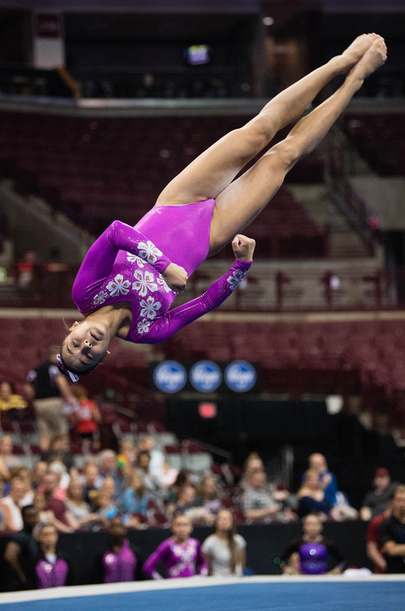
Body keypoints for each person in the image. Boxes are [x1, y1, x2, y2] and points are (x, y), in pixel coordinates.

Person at [56, 35, 387, 381]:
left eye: (73, 345)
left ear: (74, 328)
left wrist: (163, 265)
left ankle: (340, 61)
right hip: (213, 232)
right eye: (88, 357)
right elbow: (204, 304)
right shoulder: (146, 331)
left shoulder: (87, 292)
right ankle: (356, 79)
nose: (85, 347)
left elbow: (114, 234)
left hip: (178, 200)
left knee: (258, 132)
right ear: (103, 356)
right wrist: (241, 266)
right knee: (284, 156)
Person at [25, 346, 77, 451]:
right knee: (61, 430)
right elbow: (60, 382)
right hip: (52, 401)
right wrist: (70, 398)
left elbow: (27, 387)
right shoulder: (54, 367)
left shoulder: (36, 369)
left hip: (39, 403)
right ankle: (63, 455)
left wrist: (36, 395)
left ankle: (44, 456)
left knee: (45, 433)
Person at [143, 513, 207, 579]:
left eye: (185, 525)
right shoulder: (167, 545)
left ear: (191, 528)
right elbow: (148, 566)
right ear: (173, 527)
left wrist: (202, 576)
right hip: (175, 585)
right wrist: (160, 581)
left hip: (191, 583)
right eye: (178, 525)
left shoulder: (195, 543)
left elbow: (203, 562)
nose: (182, 529)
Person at [278, 513, 346, 575]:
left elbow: (343, 561)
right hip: (302, 579)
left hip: (323, 579)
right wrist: (286, 569)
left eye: (315, 524)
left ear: (321, 526)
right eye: (309, 524)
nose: (312, 527)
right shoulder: (297, 542)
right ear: (304, 526)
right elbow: (278, 560)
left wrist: (336, 570)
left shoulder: (328, 543)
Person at [2, 504, 40, 591]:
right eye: (29, 516)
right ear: (23, 517)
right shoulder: (20, 537)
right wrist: (21, 576)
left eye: (35, 516)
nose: (33, 519)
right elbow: (9, 557)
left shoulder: (35, 536)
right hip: (20, 585)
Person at [202, 509, 246, 577]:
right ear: (216, 522)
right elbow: (207, 568)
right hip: (217, 580)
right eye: (221, 519)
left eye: (228, 519)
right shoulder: (209, 543)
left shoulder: (239, 540)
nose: (224, 522)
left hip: (236, 579)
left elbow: (242, 563)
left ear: (232, 522)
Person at [101, 516, 139, 583]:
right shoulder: (102, 553)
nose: (117, 530)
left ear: (125, 530)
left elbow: (139, 575)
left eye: (119, 526)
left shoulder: (134, 551)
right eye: (114, 527)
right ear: (109, 530)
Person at [34, 522, 73, 588]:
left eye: (52, 534)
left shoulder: (65, 559)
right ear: (38, 537)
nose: (49, 538)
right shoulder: (34, 560)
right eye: (46, 534)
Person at [379, 484, 405, 573]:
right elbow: (392, 550)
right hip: (395, 573)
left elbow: (396, 549)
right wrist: (395, 549)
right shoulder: (386, 524)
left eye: (404, 500)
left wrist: (399, 548)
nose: (402, 504)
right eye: (399, 500)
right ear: (393, 502)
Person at [71, 385, 101, 452]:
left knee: (84, 448)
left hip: (81, 429)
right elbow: (97, 417)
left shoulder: (75, 406)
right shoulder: (91, 404)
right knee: (95, 446)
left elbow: (73, 419)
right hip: (91, 428)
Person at [366, 501, 392, 573]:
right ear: (391, 503)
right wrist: (387, 568)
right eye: (399, 501)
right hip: (385, 573)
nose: (402, 504)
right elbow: (372, 550)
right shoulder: (377, 522)